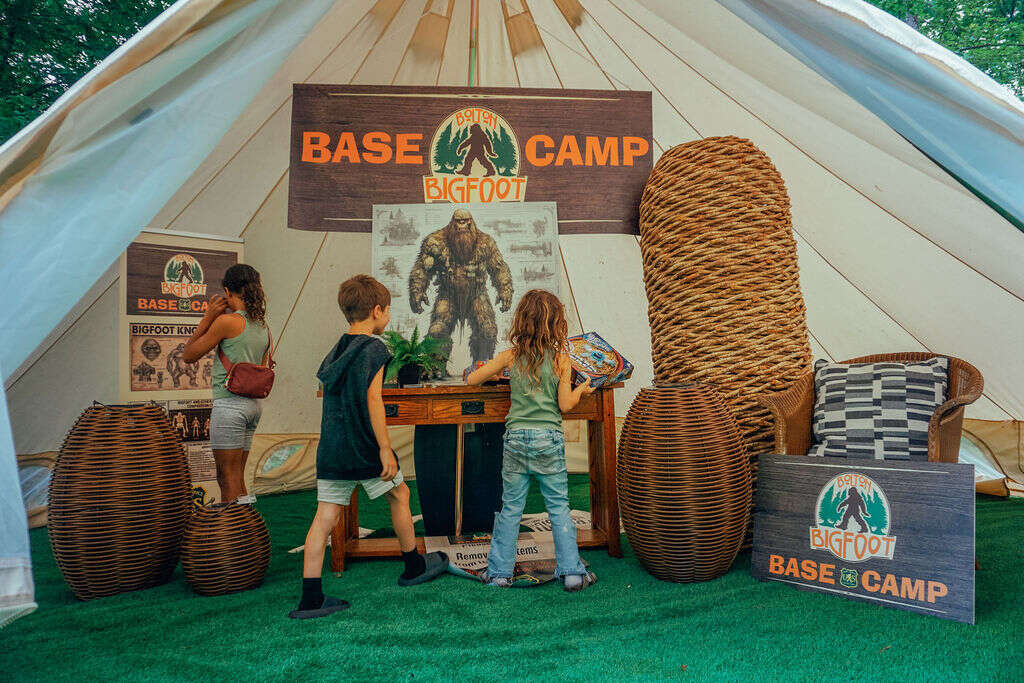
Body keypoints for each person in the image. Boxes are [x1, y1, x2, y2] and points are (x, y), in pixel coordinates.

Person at [290, 274, 449, 620]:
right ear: (377, 311)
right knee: (400, 495)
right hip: (364, 447)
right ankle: (413, 566)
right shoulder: (375, 349)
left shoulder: (336, 350)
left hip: (332, 449)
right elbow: (374, 399)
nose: (388, 315)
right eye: (388, 310)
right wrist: (385, 448)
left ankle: (310, 598)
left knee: (325, 517)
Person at [466, 289, 597, 591]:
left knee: (511, 508)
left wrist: (490, 373)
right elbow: (565, 405)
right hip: (548, 438)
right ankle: (572, 573)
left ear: (522, 321)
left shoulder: (511, 356)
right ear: (557, 324)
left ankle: (499, 574)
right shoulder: (562, 360)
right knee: (559, 507)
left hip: (515, 438)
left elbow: (472, 379)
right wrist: (581, 390)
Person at [183, 264, 270, 506]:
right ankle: (246, 526)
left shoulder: (227, 322)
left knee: (226, 477)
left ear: (228, 291)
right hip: (253, 406)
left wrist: (208, 316)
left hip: (230, 406)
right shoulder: (262, 326)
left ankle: (233, 529)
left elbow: (188, 355)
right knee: (237, 477)